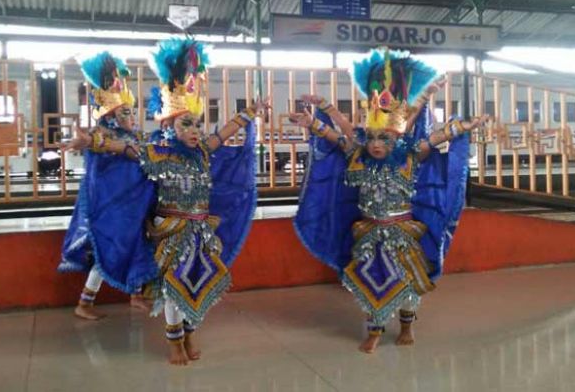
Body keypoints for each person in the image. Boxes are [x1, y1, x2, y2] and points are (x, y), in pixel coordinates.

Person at [66, 38, 268, 365]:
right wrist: (89, 140)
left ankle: (188, 335)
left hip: (201, 232)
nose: (194, 129)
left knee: (194, 285)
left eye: (197, 123)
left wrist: (249, 114)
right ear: (169, 125)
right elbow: (123, 149)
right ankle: (175, 343)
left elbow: (225, 133)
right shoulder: (157, 152)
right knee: (173, 287)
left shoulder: (203, 151)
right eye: (185, 123)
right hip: (170, 234)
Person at [292, 49, 487, 353]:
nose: (376, 144)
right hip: (368, 233)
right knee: (368, 281)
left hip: (402, 234)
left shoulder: (410, 156)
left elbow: (435, 139)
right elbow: (337, 135)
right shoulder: (358, 156)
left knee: (407, 283)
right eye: (371, 138)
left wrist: (463, 126)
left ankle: (407, 326)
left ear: (396, 140)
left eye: (384, 139)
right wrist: (316, 118)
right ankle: (375, 329)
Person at [58, 52, 156, 320]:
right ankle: (85, 303)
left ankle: (135, 295)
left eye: (132, 111)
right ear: (112, 115)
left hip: (133, 206)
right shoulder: (104, 134)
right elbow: (95, 143)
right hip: (113, 208)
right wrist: (87, 140)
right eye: (126, 112)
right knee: (110, 252)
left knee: (136, 248)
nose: (132, 116)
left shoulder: (133, 136)